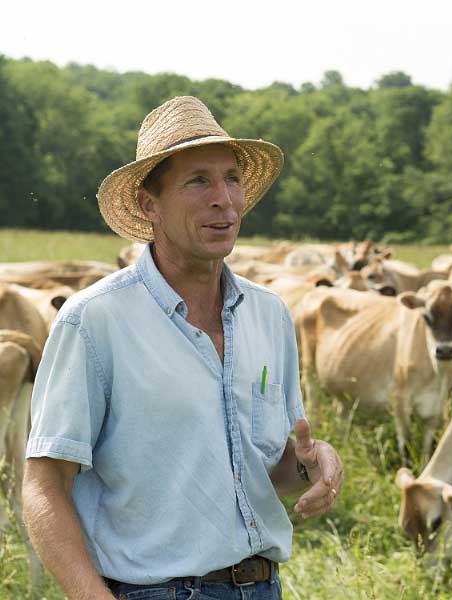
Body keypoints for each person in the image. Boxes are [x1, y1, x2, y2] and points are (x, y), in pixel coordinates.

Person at [22, 96, 343, 600]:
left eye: (232, 178)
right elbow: (43, 487)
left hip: (263, 586)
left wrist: (310, 461)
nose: (225, 199)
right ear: (150, 205)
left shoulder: (270, 315)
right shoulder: (95, 321)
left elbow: (266, 469)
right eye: (198, 181)